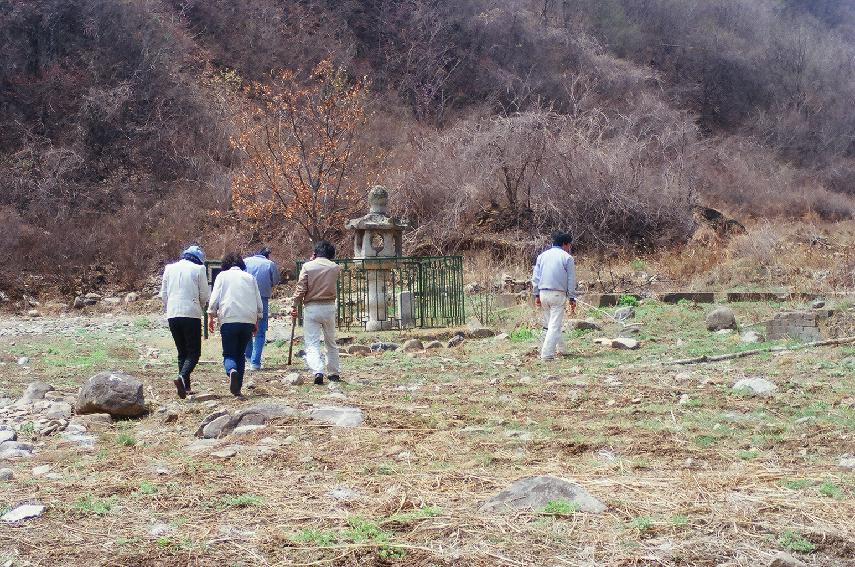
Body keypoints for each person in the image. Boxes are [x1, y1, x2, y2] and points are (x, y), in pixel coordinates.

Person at [207, 253, 264, 396]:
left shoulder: (222, 276)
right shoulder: (250, 278)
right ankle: (238, 388)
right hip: (247, 321)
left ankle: (232, 371)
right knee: (241, 353)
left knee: (229, 353)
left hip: (229, 319)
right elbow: (258, 303)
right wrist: (256, 321)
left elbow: (214, 299)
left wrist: (210, 315)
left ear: (225, 264)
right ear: (241, 264)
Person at [160, 245, 210, 399]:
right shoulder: (199, 269)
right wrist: (201, 306)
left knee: (182, 352)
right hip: (191, 314)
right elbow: (204, 295)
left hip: (173, 313)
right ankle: (182, 377)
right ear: (198, 259)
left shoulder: (169, 268)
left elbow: (164, 294)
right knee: (194, 352)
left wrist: (171, 306)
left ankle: (185, 387)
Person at [291, 240, 342, 385]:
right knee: (330, 342)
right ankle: (333, 372)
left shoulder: (307, 266)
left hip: (312, 307)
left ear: (315, 253)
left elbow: (301, 288)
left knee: (312, 343)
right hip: (329, 307)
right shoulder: (335, 267)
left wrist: (294, 304)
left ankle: (317, 370)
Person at [531, 232, 577, 361]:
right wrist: (572, 297)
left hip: (543, 293)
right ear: (564, 244)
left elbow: (535, 278)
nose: (569, 248)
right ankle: (546, 355)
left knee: (552, 323)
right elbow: (571, 279)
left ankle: (562, 349)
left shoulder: (542, 256)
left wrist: (536, 295)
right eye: (569, 245)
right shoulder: (567, 257)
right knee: (554, 325)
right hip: (558, 294)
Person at [243, 247, 280, 371]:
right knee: (260, 331)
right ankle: (255, 362)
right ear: (267, 256)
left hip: (246, 298)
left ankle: (248, 356)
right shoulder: (270, 264)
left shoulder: (246, 261)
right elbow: (275, 281)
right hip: (262, 297)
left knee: (247, 327)